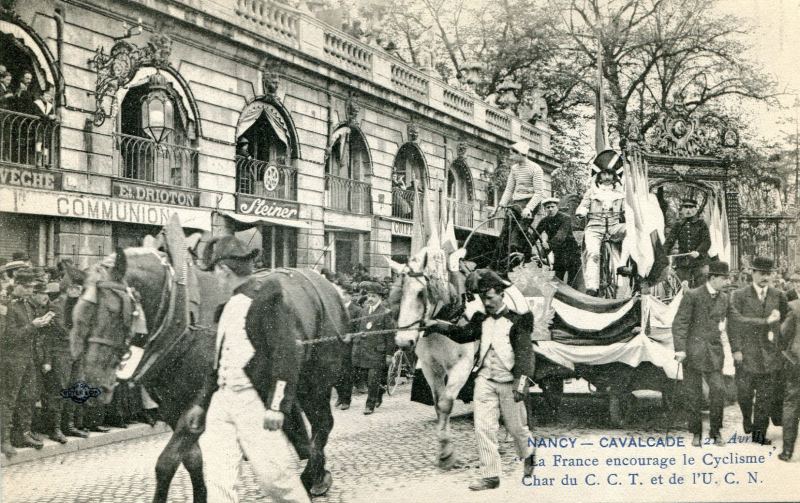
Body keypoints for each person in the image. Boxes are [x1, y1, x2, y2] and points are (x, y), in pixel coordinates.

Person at [186, 236, 310, 503]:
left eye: (215, 272)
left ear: (224, 270)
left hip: (253, 401)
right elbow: (218, 362)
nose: (215, 278)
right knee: (217, 476)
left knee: (276, 480)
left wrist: (276, 406)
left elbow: (285, 356)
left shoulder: (267, 300)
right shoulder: (227, 307)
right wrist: (201, 403)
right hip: (222, 401)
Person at [424, 269, 535, 491]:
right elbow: (462, 334)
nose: (487, 302)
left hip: (508, 382)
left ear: (501, 294)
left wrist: (520, 385)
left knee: (516, 429)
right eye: (483, 298)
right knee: (483, 427)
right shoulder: (481, 320)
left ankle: (529, 453)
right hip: (484, 380)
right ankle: (490, 476)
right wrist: (436, 325)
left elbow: (525, 357)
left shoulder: (518, 321)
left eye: (491, 297)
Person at [728, 256, 788, 445]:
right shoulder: (739, 295)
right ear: (752, 273)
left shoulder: (779, 296)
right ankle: (747, 417)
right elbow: (734, 324)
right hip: (747, 353)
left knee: (764, 395)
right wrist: (736, 350)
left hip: (770, 354)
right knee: (744, 393)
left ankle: (759, 434)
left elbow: (786, 323)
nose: (765, 277)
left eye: (768, 274)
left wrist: (782, 347)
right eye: (761, 273)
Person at [672, 261, 731, 447]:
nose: (727, 282)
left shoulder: (724, 298)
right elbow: (679, 323)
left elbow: (734, 320)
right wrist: (680, 349)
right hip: (692, 353)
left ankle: (715, 432)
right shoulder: (692, 295)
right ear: (712, 278)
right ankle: (696, 432)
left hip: (714, 353)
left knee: (718, 390)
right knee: (693, 394)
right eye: (724, 278)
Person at [0, 269, 46, 456]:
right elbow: (7, 338)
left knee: (27, 397)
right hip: (11, 359)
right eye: (25, 287)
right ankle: (5, 440)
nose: (29, 291)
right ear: (15, 284)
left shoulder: (27, 304)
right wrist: (32, 326)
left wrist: (39, 325)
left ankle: (23, 434)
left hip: (27, 358)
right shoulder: (6, 305)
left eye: (31, 287)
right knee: (8, 400)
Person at [575, 150, 625, 296]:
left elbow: (626, 210)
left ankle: (626, 267)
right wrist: (581, 212)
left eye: (610, 174)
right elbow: (583, 205)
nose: (607, 177)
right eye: (604, 174)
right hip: (595, 227)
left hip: (614, 227)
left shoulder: (620, 193)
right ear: (599, 176)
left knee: (632, 232)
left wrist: (630, 216)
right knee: (593, 254)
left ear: (615, 176)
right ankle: (592, 288)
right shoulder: (592, 192)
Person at [493, 141, 545, 265]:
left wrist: (528, 208)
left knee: (518, 234)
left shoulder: (536, 169)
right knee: (505, 233)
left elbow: (539, 193)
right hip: (516, 203)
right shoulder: (514, 169)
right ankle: (496, 264)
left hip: (530, 202)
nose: (510, 157)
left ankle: (520, 260)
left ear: (521, 154)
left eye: (513, 154)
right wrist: (501, 204)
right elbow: (509, 189)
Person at [350, 281, 395, 415]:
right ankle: (379, 392)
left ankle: (370, 405)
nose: (370, 299)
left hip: (377, 352)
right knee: (365, 377)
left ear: (380, 298)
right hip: (363, 351)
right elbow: (359, 329)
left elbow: (390, 335)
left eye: (373, 296)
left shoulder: (386, 313)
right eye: (369, 296)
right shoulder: (363, 311)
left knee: (372, 379)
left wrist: (389, 354)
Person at [664, 197, 711, 288]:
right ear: (682, 209)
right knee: (682, 288)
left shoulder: (701, 224)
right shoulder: (678, 225)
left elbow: (707, 241)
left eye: (691, 207)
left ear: (695, 209)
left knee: (702, 288)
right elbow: (670, 241)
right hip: (683, 263)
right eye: (685, 207)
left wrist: (698, 252)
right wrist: (662, 254)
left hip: (700, 261)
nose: (688, 210)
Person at [535, 197, 581, 285]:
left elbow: (560, 236)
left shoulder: (565, 218)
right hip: (559, 253)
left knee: (573, 282)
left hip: (572, 252)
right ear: (544, 209)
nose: (550, 209)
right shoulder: (544, 221)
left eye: (552, 206)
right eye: (548, 207)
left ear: (557, 207)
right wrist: (538, 255)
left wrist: (547, 247)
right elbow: (534, 235)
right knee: (557, 280)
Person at [779, 287, 800, 461]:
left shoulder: (795, 306)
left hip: (797, 362)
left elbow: (783, 335)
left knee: (792, 403)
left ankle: (787, 451)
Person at [334, 282, 361, 410]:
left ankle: (346, 400)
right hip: (336, 346)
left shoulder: (357, 310)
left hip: (350, 347)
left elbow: (361, 329)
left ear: (350, 295)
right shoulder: (335, 309)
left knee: (346, 374)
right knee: (335, 374)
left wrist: (351, 335)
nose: (342, 297)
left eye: (344, 294)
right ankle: (340, 395)